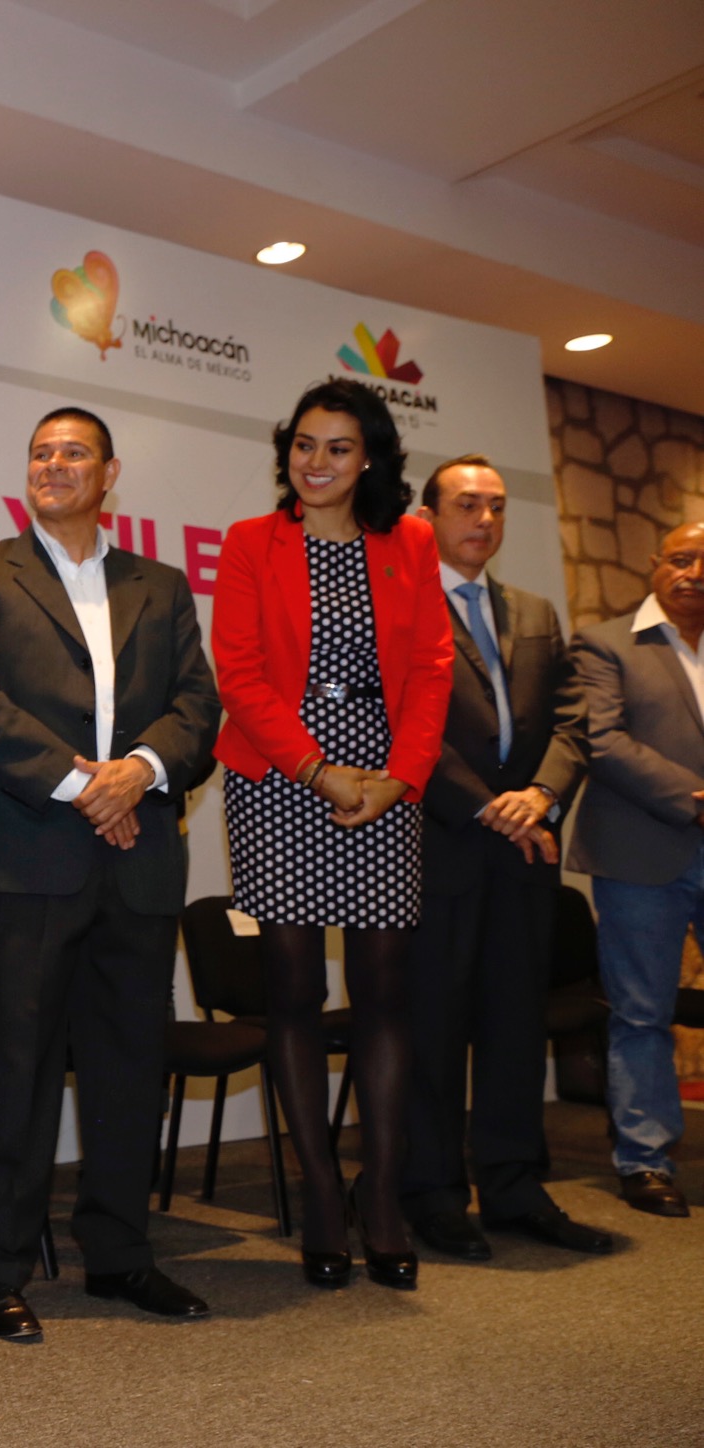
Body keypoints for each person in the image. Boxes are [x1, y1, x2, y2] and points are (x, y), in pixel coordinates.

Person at [0, 408, 221, 1341]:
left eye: (73, 453)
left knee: (128, 1066)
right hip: (30, 854)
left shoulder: (162, 584)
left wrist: (136, 774)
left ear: (109, 473)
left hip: (138, 858)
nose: (54, 464)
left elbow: (198, 706)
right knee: (16, 1067)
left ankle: (120, 1256)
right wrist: (84, 787)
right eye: (40, 453)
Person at [211, 377, 451, 1291]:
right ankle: (318, 1190)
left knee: (384, 991)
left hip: (385, 781)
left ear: (370, 459)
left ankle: (379, 1191)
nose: (316, 462)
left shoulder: (410, 542)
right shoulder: (250, 542)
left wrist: (400, 777)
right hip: (281, 778)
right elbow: (239, 674)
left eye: (338, 448)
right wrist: (318, 770)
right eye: (304, 444)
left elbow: (432, 669)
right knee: (295, 993)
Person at [403, 456, 612, 1256]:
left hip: (526, 848)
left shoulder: (533, 611)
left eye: (495, 506)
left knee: (516, 1026)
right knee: (433, 1031)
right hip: (441, 844)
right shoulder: (399, 604)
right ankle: (432, 1194)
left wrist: (542, 794)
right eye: (466, 504)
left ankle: (515, 1188)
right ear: (426, 517)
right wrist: (489, 805)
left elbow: (571, 723)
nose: (484, 519)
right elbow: (404, 726)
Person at [568, 520, 704, 1220]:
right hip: (639, 853)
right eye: (682, 559)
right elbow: (601, 738)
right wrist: (695, 799)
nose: (694, 573)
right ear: (655, 564)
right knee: (643, 1013)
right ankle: (645, 1159)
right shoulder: (604, 641)